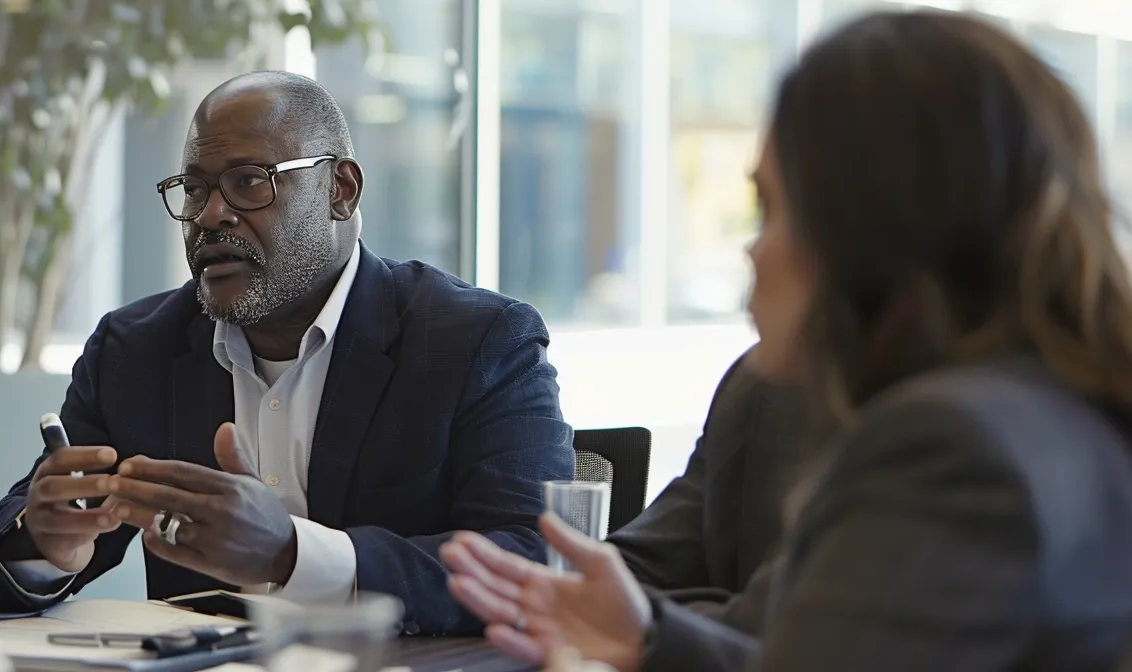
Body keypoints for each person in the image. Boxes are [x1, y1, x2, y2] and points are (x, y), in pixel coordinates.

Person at [444, 9, 1132, 670]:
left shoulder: (949, 444)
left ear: (871, 230)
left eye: (773, 208)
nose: (752, 250)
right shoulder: (1053, 414)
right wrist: (655, 639)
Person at [0, 70, 574, 635]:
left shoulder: (477, 341)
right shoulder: (136, 349)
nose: (211, 215)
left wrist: (293, 554)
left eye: (250, 181)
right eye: (194, 190)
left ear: (341, 189)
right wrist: (46, 544)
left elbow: (533, 562)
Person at [603, 348, 815, 634]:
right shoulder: (757, 380)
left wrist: (643, 621)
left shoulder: (891, 427)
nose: (750, 302)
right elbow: (646, 556)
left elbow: (791, 623)